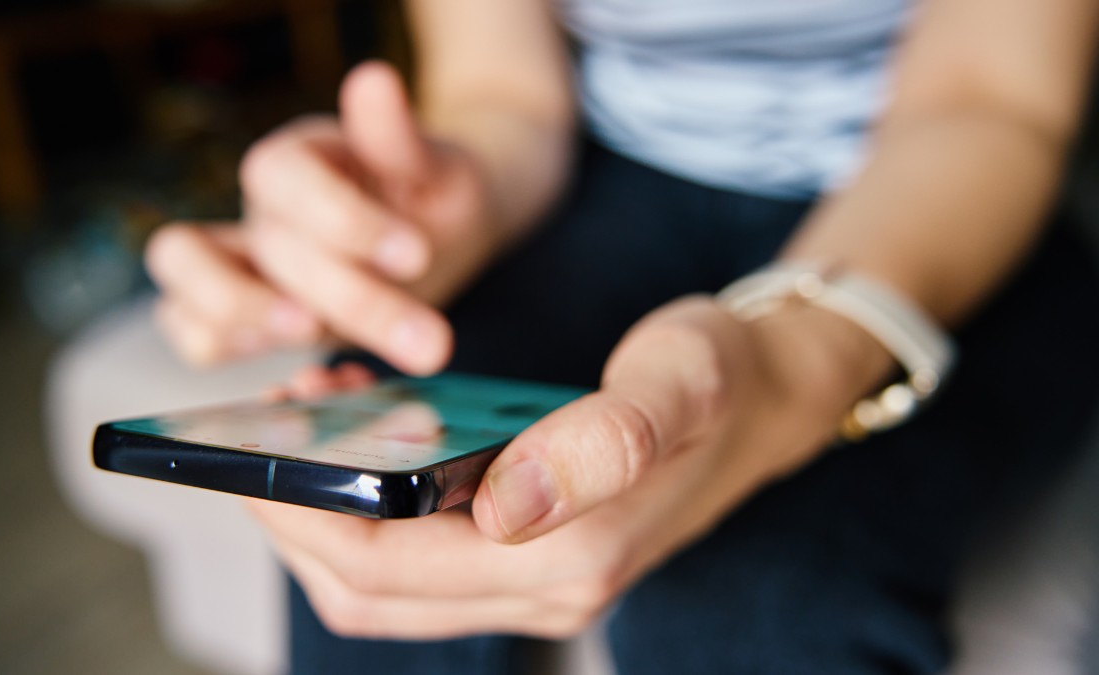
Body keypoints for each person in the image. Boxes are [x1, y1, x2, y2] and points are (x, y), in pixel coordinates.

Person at [143, 1, 1099, 672]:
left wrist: (793, 362)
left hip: (948, 195)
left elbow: (989, 102)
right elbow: (501, 89)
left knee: (762, 601)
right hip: (610, 172)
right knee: (376, 477)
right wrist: (432, 212)